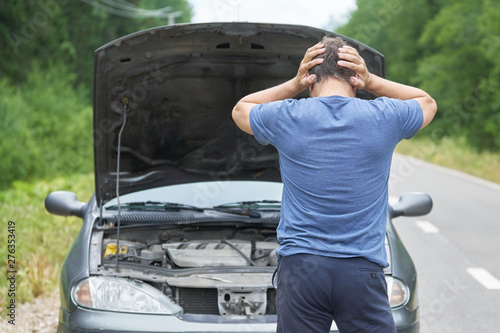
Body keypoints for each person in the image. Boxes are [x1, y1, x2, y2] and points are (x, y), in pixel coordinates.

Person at [232, 36, 437, 333]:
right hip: (360, 270)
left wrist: (294, 84)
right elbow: (426, 102)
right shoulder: (383, 116)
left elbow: (241, 109)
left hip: (302, 269)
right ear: (353, 80)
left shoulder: (288, 115)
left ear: (311, 79)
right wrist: (371, 81)